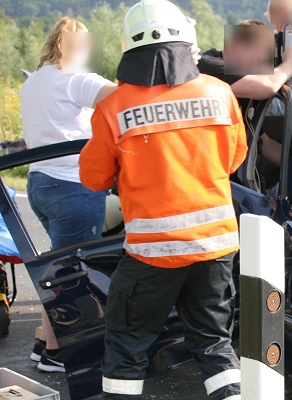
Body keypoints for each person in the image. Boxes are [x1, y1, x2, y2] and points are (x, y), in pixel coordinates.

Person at [79, 0, 247, 398]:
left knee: (126, 346)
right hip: (216, 246)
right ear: (187, 41)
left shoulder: (113, 106)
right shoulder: (220, 93)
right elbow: (234, 157)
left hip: (153, 253)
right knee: (214, 345)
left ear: (128, 47)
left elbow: (93, 177)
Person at [19, 16, 116, 374]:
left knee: (59, 265)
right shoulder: (78, 80)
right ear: (83, 46)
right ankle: (59, 355)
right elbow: (126, 99)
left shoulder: (34, 82)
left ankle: (45, 344)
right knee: (73, 273)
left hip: (40, 182)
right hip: (73, 184)